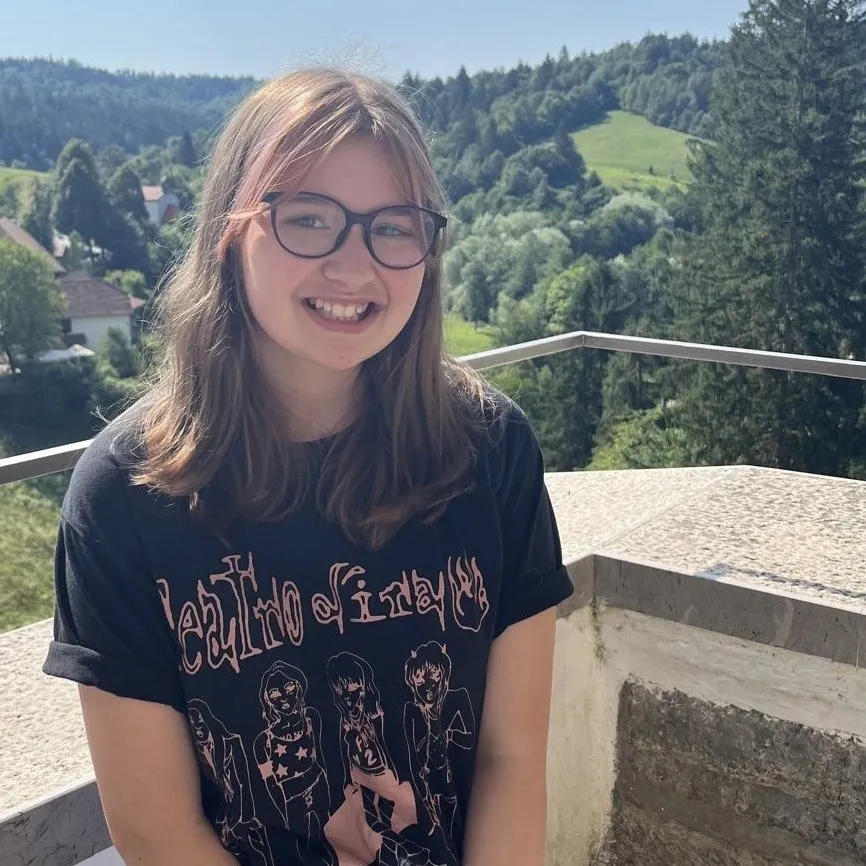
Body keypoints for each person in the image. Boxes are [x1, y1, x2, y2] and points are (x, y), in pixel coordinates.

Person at [42, 67, 574, 866]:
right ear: (231, 232)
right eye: (310, 219)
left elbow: (508, 757)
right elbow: (157, 832)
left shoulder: (492, 449)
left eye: (395, 226)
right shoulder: (124, 496)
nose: (355, 268)